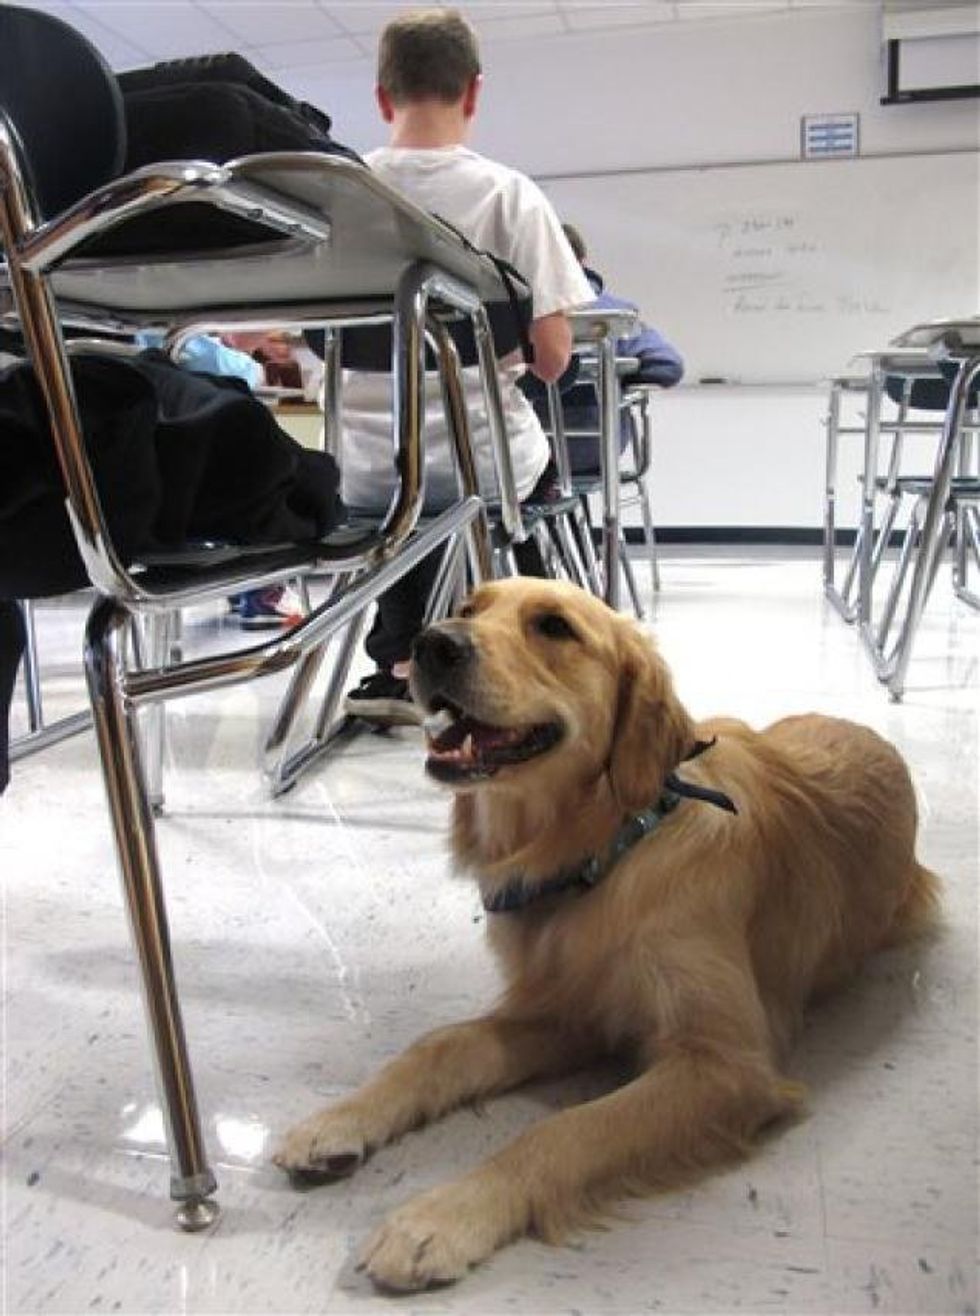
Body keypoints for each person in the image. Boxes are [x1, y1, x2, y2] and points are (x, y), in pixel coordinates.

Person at [340, 7, 594, 725]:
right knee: (505, 480)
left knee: (410, 497)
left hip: (363, 471)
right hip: (483, 466)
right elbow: (551, 363)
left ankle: (394, 654)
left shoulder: (337, 198)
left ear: (383, 97)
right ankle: (552, 647)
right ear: (473, 93)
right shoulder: (511, 197)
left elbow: (302, 349)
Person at [555, 222, 684, 474]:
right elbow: (669, 367)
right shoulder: (614, 314)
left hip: (521, 463)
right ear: (582, 263)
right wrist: (617, 375)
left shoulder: (512, 316)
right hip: (598, 452)